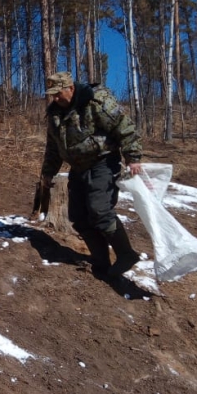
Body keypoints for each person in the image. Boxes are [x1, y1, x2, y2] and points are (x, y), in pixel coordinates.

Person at [38, 71, 142, 279]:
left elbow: (123, 125)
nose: (56, 98)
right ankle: (101, 261)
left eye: (59, 93)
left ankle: (126, 254)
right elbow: (53, 148)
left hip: (103, 162)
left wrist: (133, 156)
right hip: (78, 168)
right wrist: (48, 173)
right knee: (79, 217)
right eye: (53, 95)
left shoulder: (95, 102)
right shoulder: (55, 116)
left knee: (99, 209)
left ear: (71, 88)